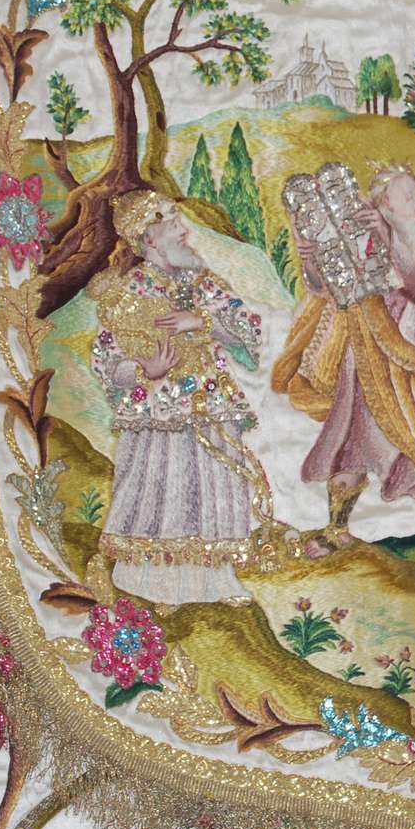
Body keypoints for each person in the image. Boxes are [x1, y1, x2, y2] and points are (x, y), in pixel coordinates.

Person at [272, 163, 415, 591]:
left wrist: (388, 238)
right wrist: (311, 262)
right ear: (383, 204)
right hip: (367, 352)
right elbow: (331, 287)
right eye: (407, 198)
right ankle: (336, 528)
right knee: (354, 435)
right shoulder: (360, 233)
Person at [87, 191, 265, 606]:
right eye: (172, 223)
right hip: (158, 412)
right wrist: (144, 370)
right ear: (149, 238)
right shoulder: (129, 293)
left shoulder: (205, 285)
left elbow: (251, 334)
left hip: (211, 403)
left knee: (214, 482)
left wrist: (202, 322)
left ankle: (216, 578)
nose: (185, 231)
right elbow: (105, 360)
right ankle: (149, 578)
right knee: (163, 484)